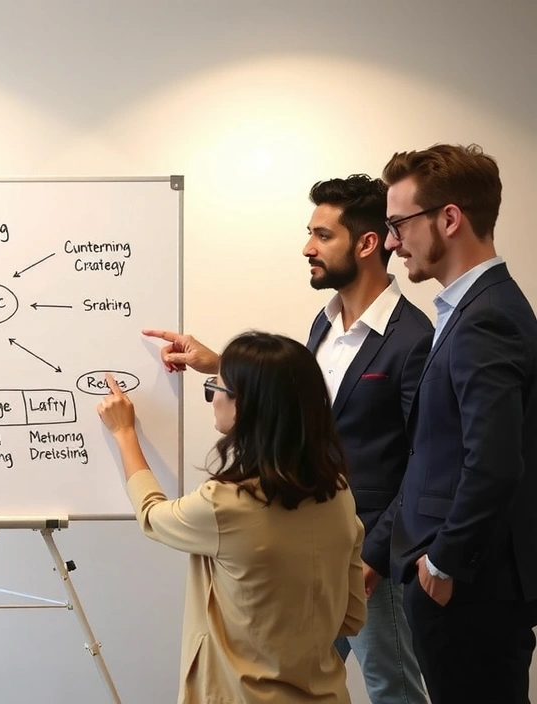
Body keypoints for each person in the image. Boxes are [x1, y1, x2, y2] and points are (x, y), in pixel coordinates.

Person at [147, 174, 433, 703]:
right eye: (310, 234)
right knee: (299, 684)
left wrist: (374, 553)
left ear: (367, 244)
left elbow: (426, 460)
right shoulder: (323, 325)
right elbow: (300, 409)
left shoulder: (414, 340)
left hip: (369, 556)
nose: (308, 248)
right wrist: (222, 367)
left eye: (323, 235)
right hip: (308, 547)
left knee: (392, 690)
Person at [98, 333, 366, 704]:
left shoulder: (227, 503)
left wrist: (124, 433)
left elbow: (152, 515)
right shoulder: (337, 493)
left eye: (216, 388)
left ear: (245, 405)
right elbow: (351, 616)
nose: (213, 398)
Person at [361, 144, 537, 704]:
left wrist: (442, 563)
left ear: (450, 218)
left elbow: (494, 463)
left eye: (397, 225)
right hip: (456, 587)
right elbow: (432, 456)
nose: (391, 243)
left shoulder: (486, 317)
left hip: (468, 591)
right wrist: (378, 553)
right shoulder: (467, 310)